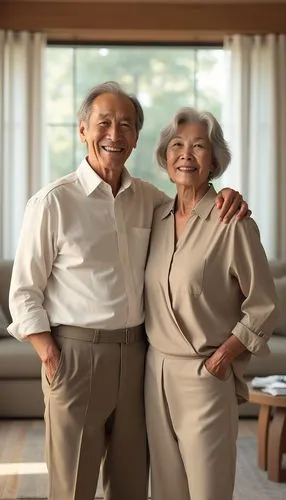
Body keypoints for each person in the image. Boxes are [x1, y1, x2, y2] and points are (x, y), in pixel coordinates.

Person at [8, 82, 249, 500]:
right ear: (82, 129)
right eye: (103, 123)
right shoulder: (52, 202)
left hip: (139, 357)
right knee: (72, 488)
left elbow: (193, 201)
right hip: (75, 357)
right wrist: (50, 354)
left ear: (137, 137)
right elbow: (24, 291)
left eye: (125, 125)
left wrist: (228, 192)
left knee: (132, 483)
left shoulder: (150, 200)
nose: (114, 135)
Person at [144, 107, 279, 500]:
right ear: (165, 160)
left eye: (198, 146)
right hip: (154, 372)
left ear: (214, 161)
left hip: (206, 374)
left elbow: (264, 306)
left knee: (209, 489)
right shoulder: (155, 217)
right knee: (167, 489)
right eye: (177, 145)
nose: (186, 154)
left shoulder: (232, 222)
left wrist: (222, 359)